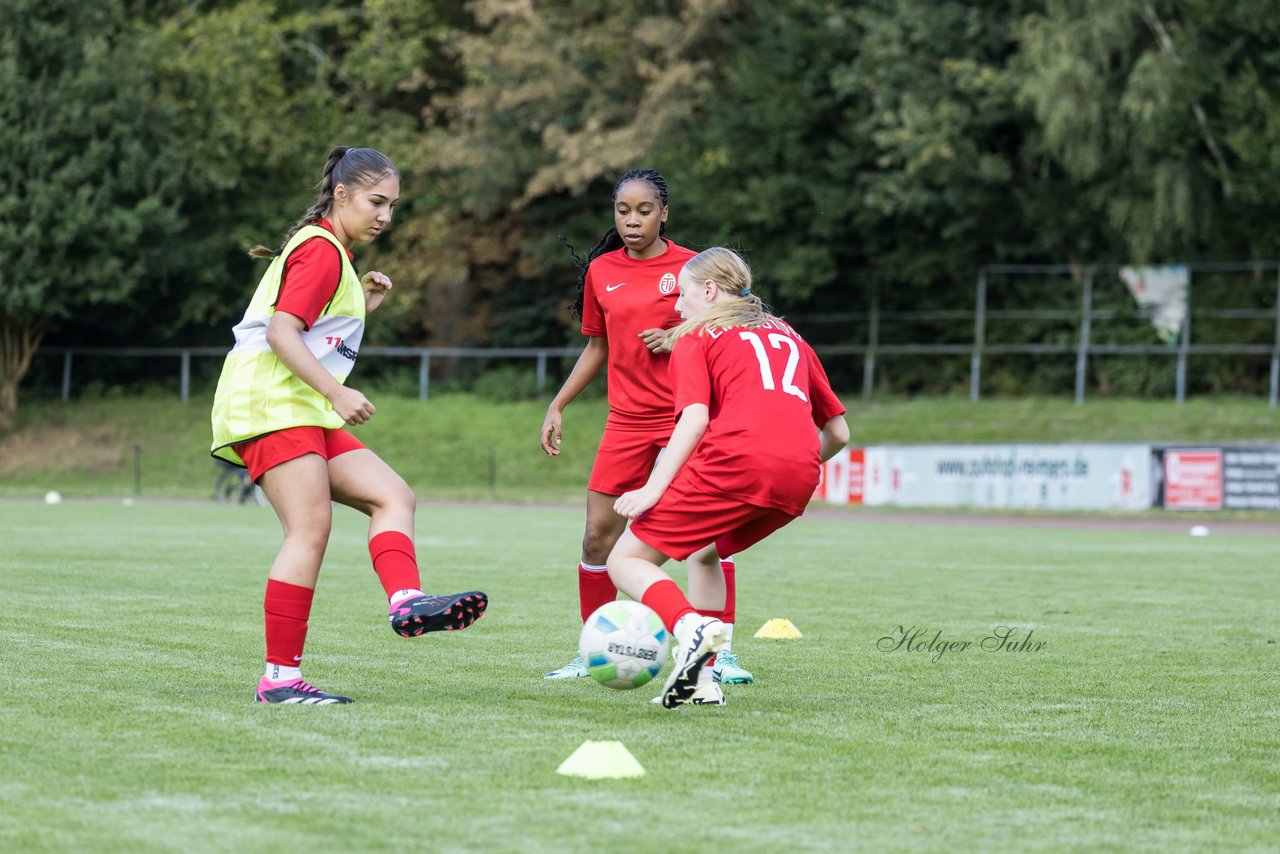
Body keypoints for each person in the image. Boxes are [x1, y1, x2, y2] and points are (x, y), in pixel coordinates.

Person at [210, 146, 487, 705]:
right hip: (270, 406)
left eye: (393, 205)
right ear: (341, 194)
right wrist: (337, 391)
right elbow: (282, 334)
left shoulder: (333, 252)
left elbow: (314, 335)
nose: (385, 215)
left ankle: (407, 600)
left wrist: (366, 304)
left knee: (393, 496)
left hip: (300, 407)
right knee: (309, 531)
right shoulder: (320, 251)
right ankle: (281, 680)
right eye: (376, 201)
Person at [607, 247, 849, 708]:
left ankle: (690, 629)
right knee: (703, 552)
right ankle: (703, 680)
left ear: (710, 291)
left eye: (683, 294)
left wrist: (652, 488)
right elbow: (839, 431)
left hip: (738, 460)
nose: (677, 307)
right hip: (800, 476)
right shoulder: (791, 335)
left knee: (625, 561)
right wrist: (792, 461)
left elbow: (694, 420)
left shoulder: (695, 335)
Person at [539, 169, 753, 685]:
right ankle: (593, 646)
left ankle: (718, 654)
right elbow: (598, 347)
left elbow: (732, 325)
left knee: (706, 542)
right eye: (623, 211)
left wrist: (681, 333)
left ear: (664, 214)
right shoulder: (601, 272)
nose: (632, 221)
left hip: (688, 417)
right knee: (596, 538)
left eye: (644, 211)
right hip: (626, 421)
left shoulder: (691, 267)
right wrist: (558, 403)